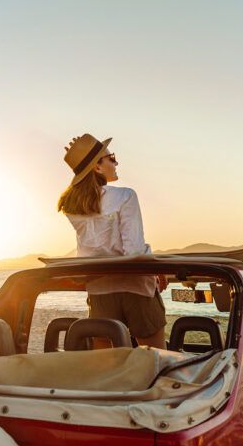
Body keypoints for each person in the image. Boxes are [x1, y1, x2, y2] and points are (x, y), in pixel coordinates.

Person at [58, 134, 167, 348]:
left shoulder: (73, 208)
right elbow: (133, 252)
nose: (116, 163)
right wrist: (156, 268)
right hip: (137, 290)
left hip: (100, 292)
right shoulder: (125, 196)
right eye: (111, 157)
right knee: (155, 362)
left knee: (108, 366)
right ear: (97, 167)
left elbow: (95, 251)